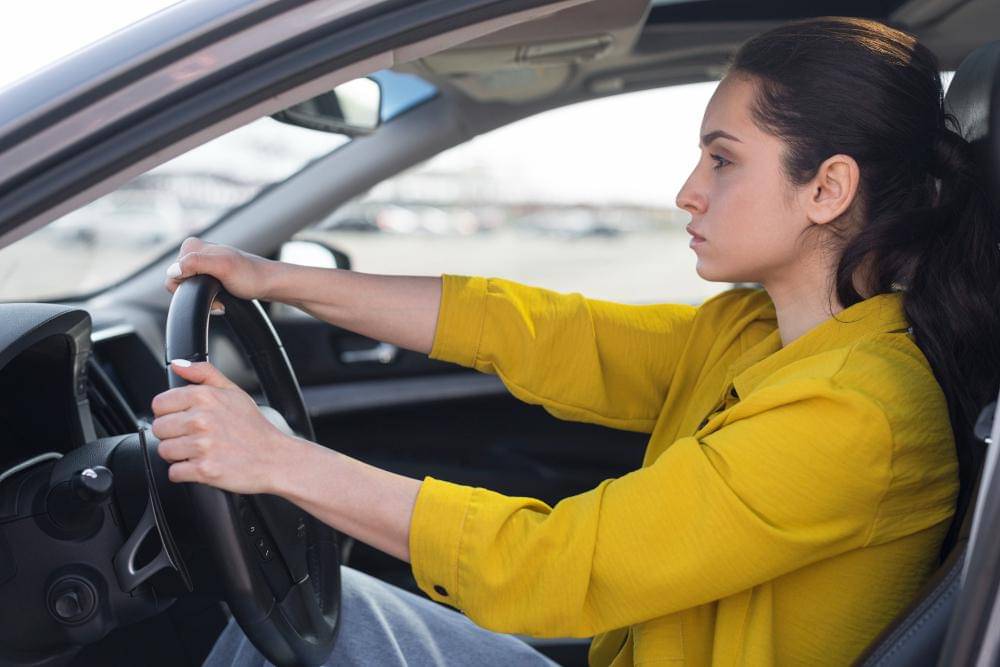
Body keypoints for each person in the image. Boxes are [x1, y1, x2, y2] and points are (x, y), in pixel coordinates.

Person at [154, 16, 1000, 667]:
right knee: (319, 630)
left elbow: (554, 567)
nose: (687, 192)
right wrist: (276, 278)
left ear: (827, 187)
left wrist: (276, 461)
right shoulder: (758, 335)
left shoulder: (856, 412)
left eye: (722, 160)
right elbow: (539, 333)